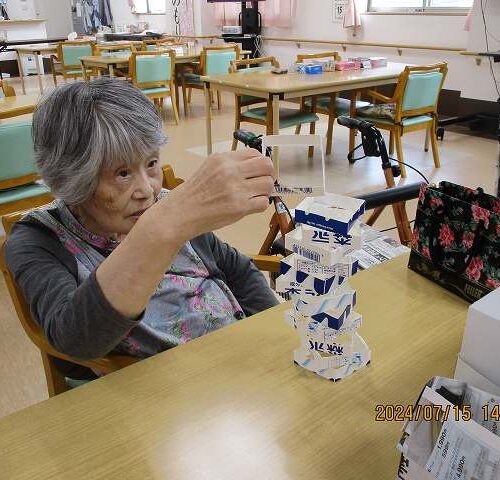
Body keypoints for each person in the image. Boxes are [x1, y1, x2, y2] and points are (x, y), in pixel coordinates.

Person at [5, 78, 278, 377]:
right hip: (160, 385)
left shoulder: (166, 202)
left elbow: (236, 270)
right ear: (73, 178)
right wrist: (163, 226)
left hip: (241, 358)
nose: (147, 191)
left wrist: (274, 334)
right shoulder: (38, 239)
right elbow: (76, 339)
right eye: (122, 173)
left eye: (151, 163)